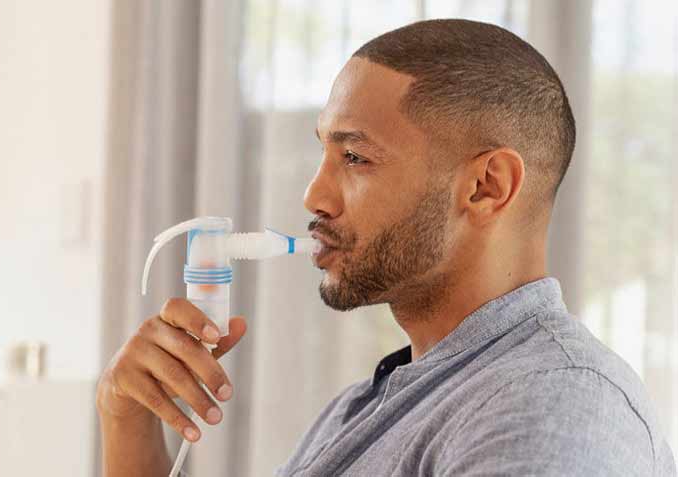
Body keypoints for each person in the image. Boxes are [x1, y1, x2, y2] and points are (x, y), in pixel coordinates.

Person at [95, 19, 677, 476]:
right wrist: (128, 421)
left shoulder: (553, 404)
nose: (314, 195)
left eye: (355, 157)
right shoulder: (365, 408)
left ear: (485, 187)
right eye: (324, 152)